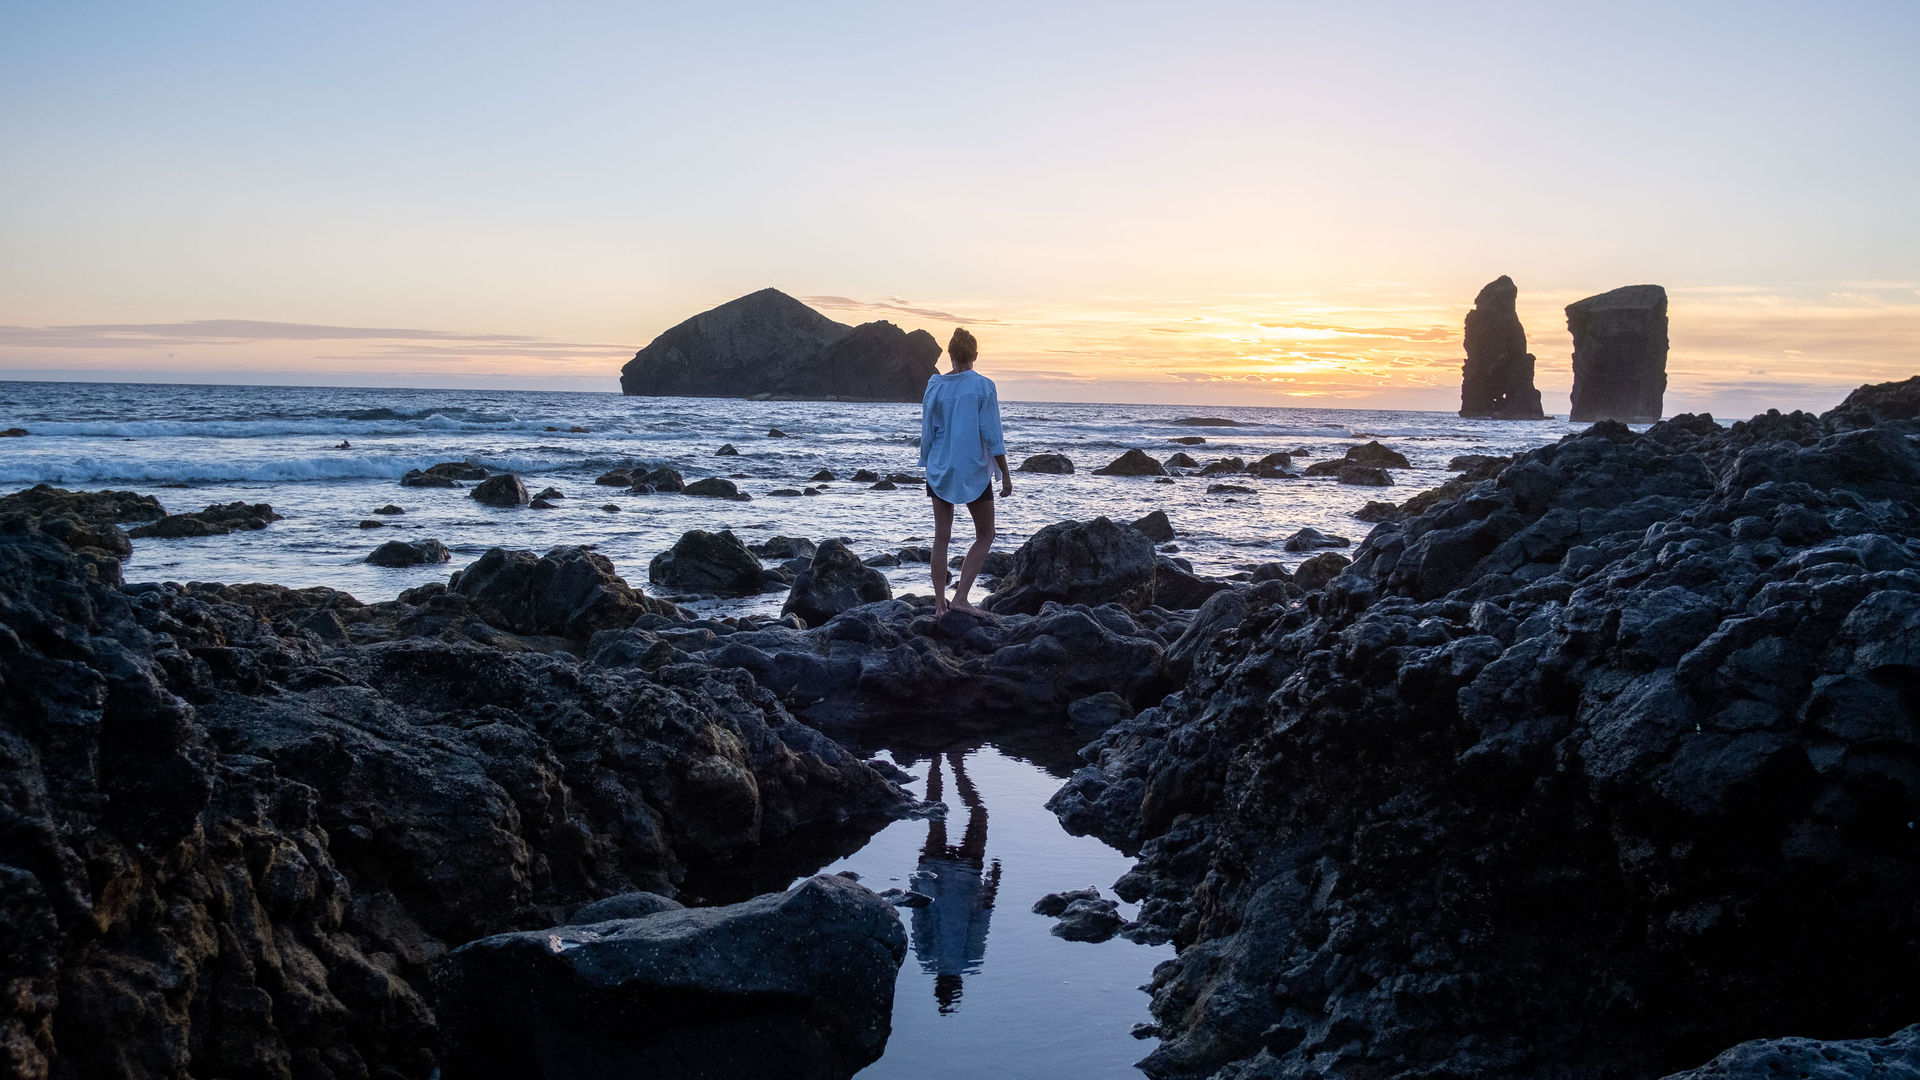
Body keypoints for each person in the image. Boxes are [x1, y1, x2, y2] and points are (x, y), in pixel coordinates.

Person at [919, 328, 1010, 616]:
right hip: (971, 467)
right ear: (974, 355)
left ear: (950, 354)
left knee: (941, 537)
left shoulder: (935, 385)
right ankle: (960, 598)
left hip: (940, 466)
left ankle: (938, 604)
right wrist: (1005, 473)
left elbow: (927, 431)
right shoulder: (983, 386)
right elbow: (991, 433)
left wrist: (927, 462)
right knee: (986, 533)